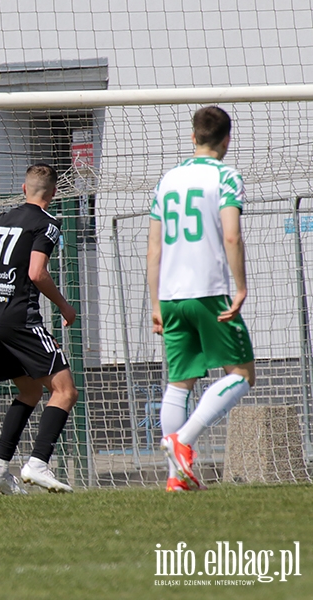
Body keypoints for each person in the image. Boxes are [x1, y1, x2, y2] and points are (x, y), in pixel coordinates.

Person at [148, 105, 255, 492]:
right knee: (242, 374)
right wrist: (240, 287)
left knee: (180, 381)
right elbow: (231, 235)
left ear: (193, 137)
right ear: (227, 140)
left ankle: (177, 477)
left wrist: (155, 303)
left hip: (171, 296)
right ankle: (183, 440)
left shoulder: (167, 179)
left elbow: (154, 247)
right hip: (209, 292)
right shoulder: (226, 177)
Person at [0, 163, 78, 494]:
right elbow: (37, 273)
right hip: (22, 320)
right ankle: (38, 463)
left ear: (24, 188)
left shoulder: (2, 219)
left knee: (29, 392)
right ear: (54, 192)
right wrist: (63, 305)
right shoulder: (49, 224)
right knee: (66, 391)